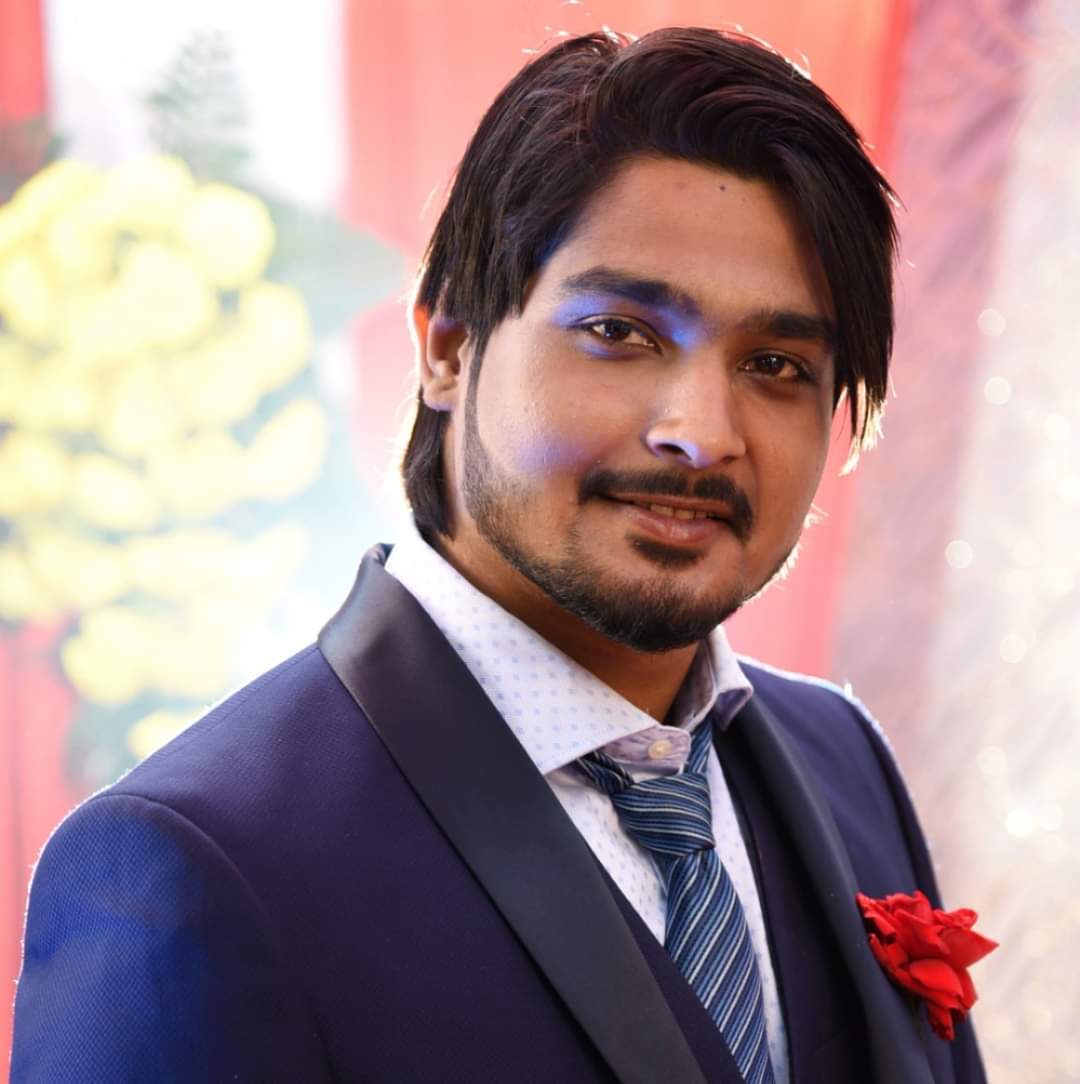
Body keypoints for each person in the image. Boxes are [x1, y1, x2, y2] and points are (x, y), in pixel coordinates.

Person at [12, 27, 987, 1084]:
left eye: (776, 363)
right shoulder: (194, 864)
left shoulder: (844, 759)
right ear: (448, 346)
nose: (702, 433)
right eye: (620, 332)